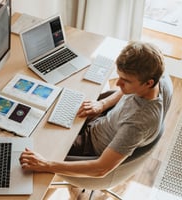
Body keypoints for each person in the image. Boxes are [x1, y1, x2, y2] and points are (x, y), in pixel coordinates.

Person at [19, 41, 173, 178]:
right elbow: (126, 90)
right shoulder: (158, 76)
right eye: (119, 76)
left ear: (148, 83)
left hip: (89, 148)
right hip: (103, 121)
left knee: (30, 144)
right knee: (52, 104)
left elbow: (100, 169)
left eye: (125, 81)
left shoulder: (138, 124)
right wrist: (103, 104)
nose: (118, 83)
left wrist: (46, 165)